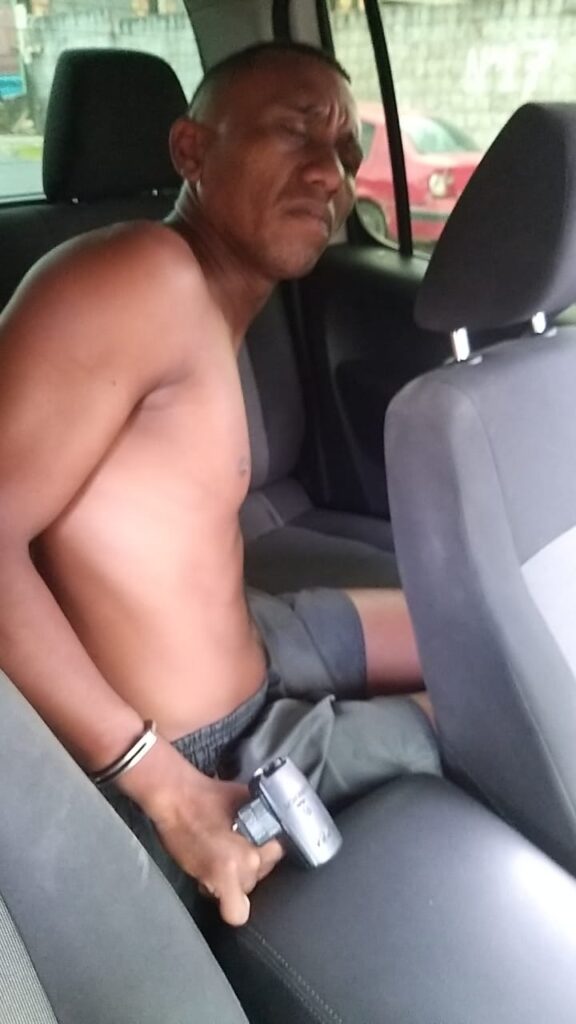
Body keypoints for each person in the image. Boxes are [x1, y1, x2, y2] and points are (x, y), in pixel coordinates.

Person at [0, 41, 439, 928]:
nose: (330, 174)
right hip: (209, 752)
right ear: (191, 151)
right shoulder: (136, 276)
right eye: (295, 132)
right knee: (511, 707)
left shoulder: (206, 292)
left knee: (482, 632)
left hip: (260, 645)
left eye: (346, 151)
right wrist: (163, 788)